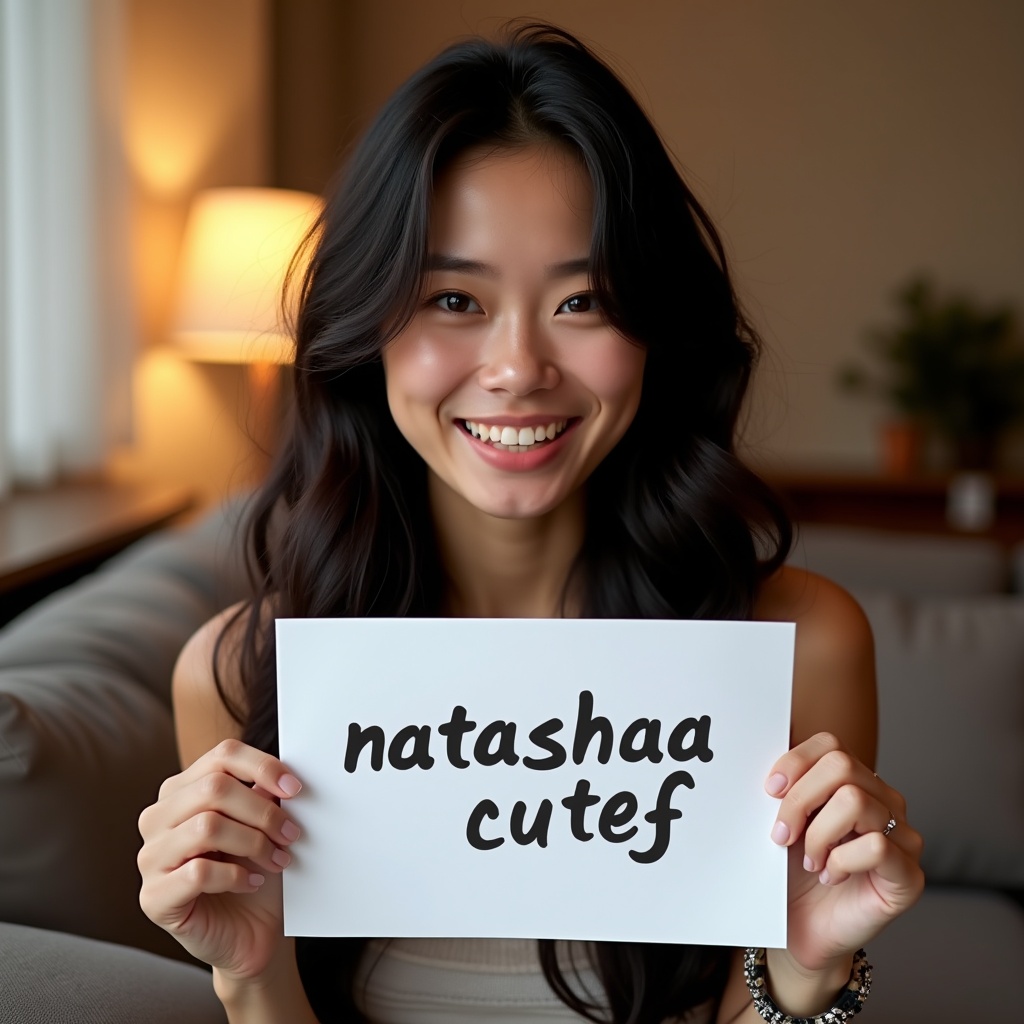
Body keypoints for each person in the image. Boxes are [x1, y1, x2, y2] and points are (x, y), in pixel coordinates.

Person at [137, 22, 924, 1024]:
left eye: (582, 299)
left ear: (653, 333)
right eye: (453, 297)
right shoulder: (238, 677)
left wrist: (803, 974)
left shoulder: (799, 645)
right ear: (365, 330)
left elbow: (775, 992)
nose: (517, 368)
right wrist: (254, 979)